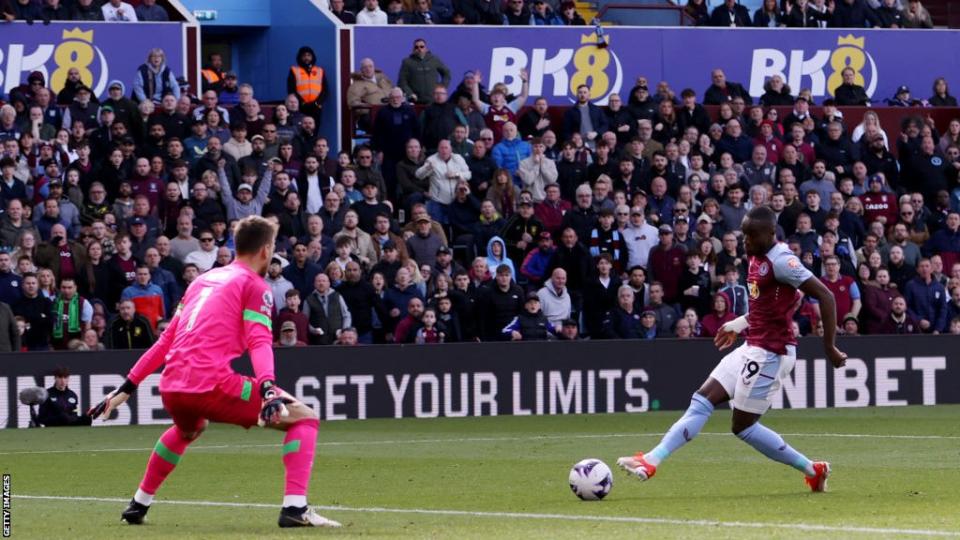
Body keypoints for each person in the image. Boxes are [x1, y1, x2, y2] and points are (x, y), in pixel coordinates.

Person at [88, 216, 341, 528]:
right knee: (305, 418)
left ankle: (138, 504)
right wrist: (268, 388)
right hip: (213, 385)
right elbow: (260, 341)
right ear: (265, 250)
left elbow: (166, 340)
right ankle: (295, 508)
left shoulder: (202, 281)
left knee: (188, 430)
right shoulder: (254, 285)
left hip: (173, 387)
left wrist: (126, 387)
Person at [617, 206, 846, 493]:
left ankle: (813, 470)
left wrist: (830, 347)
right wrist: (739, 323)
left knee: (743, 427)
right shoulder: (755, 256)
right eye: (744, 235)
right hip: (753, 346)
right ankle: (651, 460)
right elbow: (772, 305)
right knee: (702, 399)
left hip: (772, 354)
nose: (746, 242)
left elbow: (824, 295)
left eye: (751, 236)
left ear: (769, 234)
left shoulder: (783, 261)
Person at [398, 39, 451, 105]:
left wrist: (441, 88)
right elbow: (402, 81)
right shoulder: (407, 62)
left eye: (422, 46)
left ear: (426, 48)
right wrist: (410, 93)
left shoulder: (434, 60)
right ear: (413, 49)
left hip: (433, 100)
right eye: (416, 47)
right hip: (416, 101)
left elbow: (447, 74)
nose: (419, 49)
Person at [287, 46, 327, 123]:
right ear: (300, 57)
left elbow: (325, 90)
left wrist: (317, 103)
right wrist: (302, 102)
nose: (306, 58)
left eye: (309, 55)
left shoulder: (319, 71)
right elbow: (291, 89)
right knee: (300, 128)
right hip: (301, 107)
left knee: (314, 129)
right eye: (304, 55)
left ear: (312, 57)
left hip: (316, 107)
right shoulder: (294, 70)